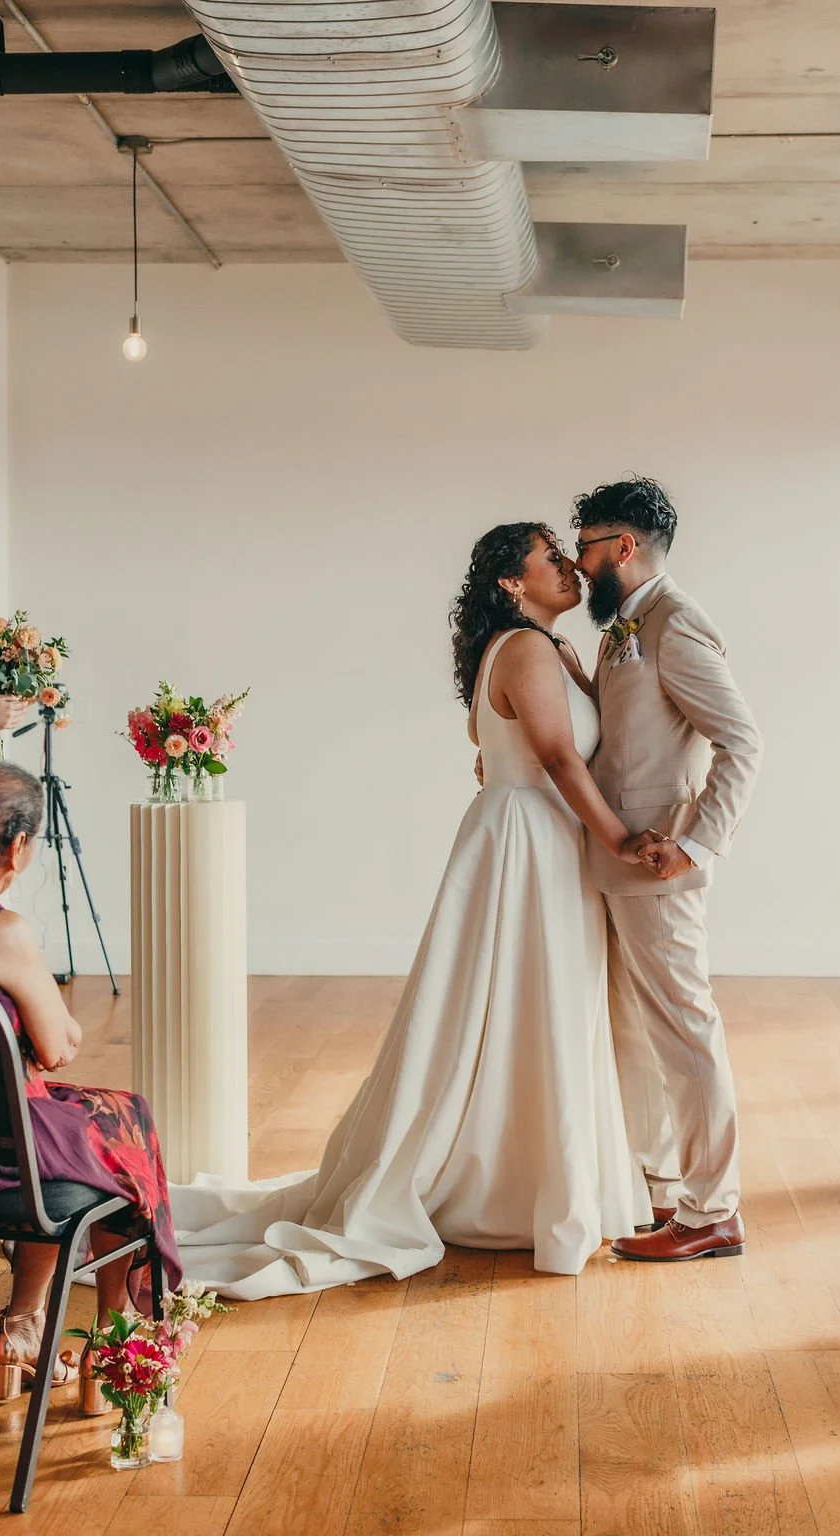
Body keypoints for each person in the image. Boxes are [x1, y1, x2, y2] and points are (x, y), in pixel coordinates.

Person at [169, 524, 663, 1298]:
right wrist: (624, 840)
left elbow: (542, 747)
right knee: (529, 1006)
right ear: (511, 582)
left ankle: (523, 1174)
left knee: (536, 1009)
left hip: (539, 837)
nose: (570, 567)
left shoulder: (555, 650)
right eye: (551, 558)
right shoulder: (528, 650)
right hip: (527, 842)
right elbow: (562, 759)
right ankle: (509, 1185)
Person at [571, 477, 763, 1263]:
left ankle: (713, 1210)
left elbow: (743, 742)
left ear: (624, 546)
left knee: (685, 1035)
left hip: (659, 868)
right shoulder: (625, 624)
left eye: (585, 547)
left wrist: (697, 845)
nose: (579, 564)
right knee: (637, 1037)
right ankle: (657, 1190)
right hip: (617, 867)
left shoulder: (676, 625)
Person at [0, 763, 182, 1411]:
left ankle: (24, 1319)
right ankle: (112, 1341)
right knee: (125, 1135)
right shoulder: (7, 934)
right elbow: (56, 1045)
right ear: (17, 849)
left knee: (93, 1122)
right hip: (9, 1169)